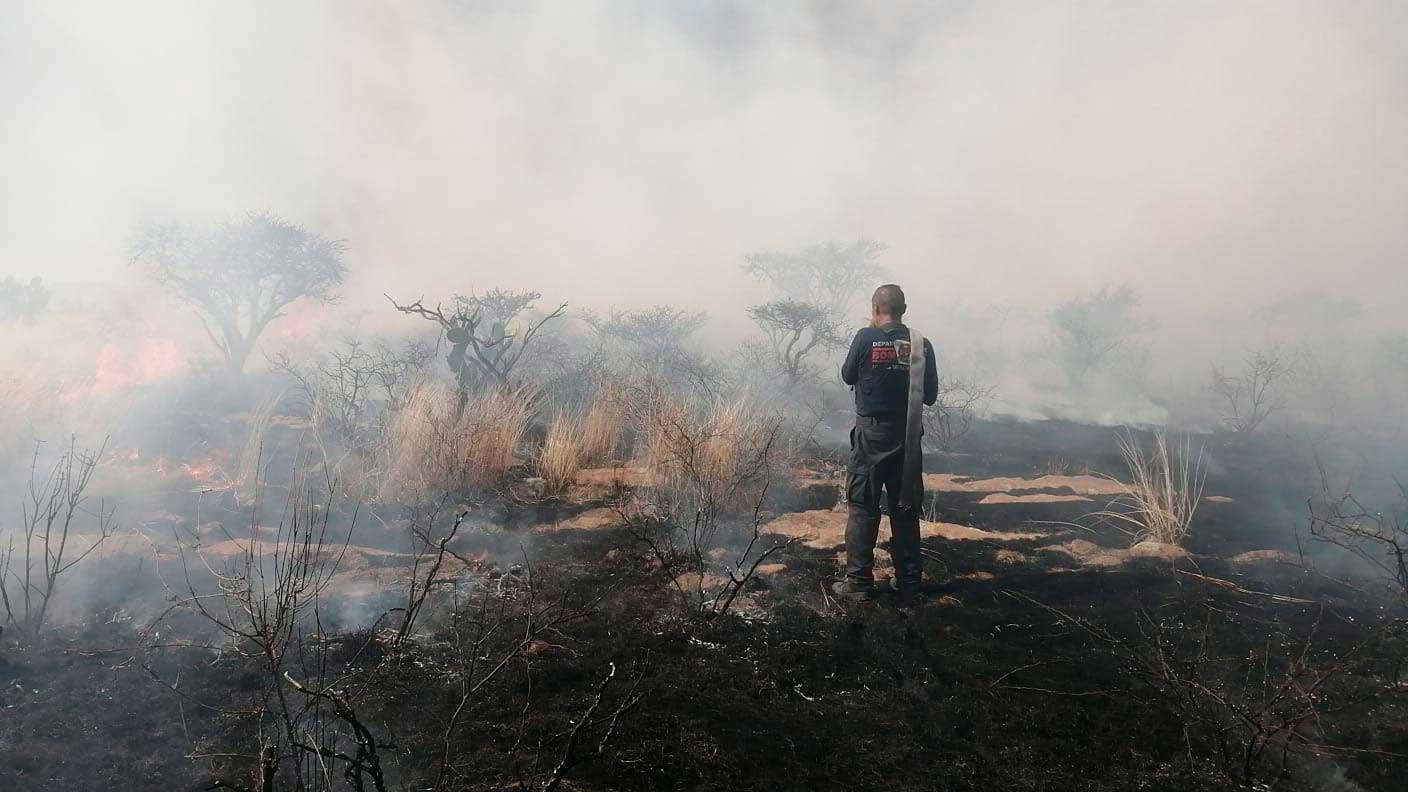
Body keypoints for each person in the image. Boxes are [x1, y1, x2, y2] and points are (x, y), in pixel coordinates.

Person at [832, 284, 938, 602]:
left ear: (875, 309)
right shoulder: (922, 344)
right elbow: (929, 397)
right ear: (904, 310)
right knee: (904, 507)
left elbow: (848, 376)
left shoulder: (865, 338)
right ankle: (909, 582)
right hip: (907, 438)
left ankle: (859, 583)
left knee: (863, 506)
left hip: (870, 438)